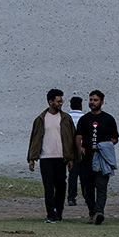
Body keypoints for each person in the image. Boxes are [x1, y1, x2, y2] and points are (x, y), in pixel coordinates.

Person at [27, 89, 79, 221]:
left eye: (62, 101)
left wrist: (71, 158)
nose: (61, 103)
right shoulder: (41, 119)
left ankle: (59, 213)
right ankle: (50, 214)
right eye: (58, 101)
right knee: (48, 187)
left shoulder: (66, 118)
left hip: (61, 158)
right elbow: (34, 139)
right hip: (46, 158)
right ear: (51, 102)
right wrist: (32, 158)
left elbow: (72, 138)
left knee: (61, 187)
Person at [76, 90, 119, 223]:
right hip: (87, 159)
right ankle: (92, 212)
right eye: (91, 100)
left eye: (95, 100)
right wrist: (79, 147)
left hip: (102, 160)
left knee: (101, 187)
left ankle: (99, 212)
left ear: (102, 102)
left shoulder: (108, 119)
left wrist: (103, 146)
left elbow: (115, 138)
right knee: (87, 189)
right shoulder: (84, 119)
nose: (92, 102)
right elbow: (78, 136)